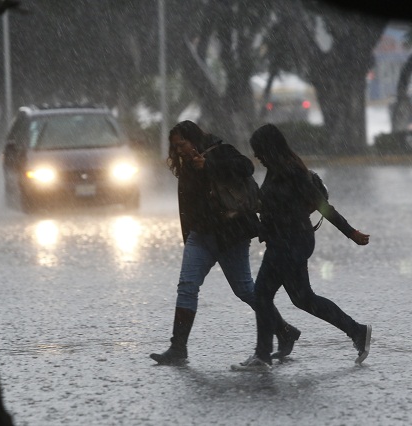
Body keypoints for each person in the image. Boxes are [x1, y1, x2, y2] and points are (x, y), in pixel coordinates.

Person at [150, 120, 301, 365]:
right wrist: (187, 235)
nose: (180, 150)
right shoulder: (186, 165)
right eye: (175, 147)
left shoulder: (220, 151)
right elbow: (186, 206)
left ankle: (284, 331)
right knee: (187, 286)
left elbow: (246, 167)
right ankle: (178, 347)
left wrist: (210, 165)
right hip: (200, 236)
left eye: (183, 144)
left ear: (195, 139)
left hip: (231, 235)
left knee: (245, 290)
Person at [232, 123, 372, 372]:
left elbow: (321, 205)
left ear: (269, 148)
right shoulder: (275, 170)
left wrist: (351, 233)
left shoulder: (292, 171)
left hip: (291, 242)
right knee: (303, 299)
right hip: (285, 241)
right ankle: (357, 331)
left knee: (262, 294)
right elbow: (274, 204)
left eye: (259, 150)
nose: (257, 156)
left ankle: (262, 356)